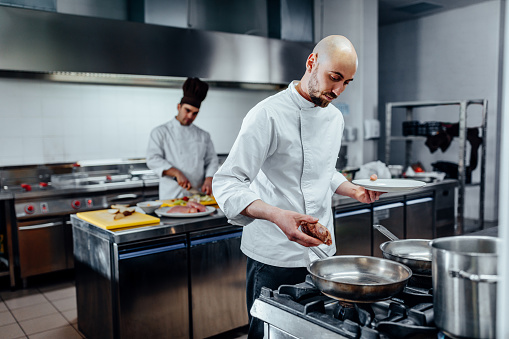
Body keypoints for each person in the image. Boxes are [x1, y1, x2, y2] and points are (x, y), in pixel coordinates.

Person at [212, 35, 383, 338]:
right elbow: (227, 182)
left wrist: (353, 189)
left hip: (322, 254)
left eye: (347, 82)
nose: (338, 90)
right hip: (274, 255)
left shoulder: (334, 119)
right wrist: (278, 215)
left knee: (318, 332)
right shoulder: (267, 114)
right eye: (335, 78)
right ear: (311, 62)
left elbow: (323, 171)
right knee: (268, 333)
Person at [147, 77, 219, 200]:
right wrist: (176, 172)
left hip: (198, 195)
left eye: (195, 113)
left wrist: (209, 178)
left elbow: (211, 160)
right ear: (178, 106)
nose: (190, 116)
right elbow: (153, 159)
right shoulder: (160, 132)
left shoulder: (203, 135)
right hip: (171, 195)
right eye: (187, 110)